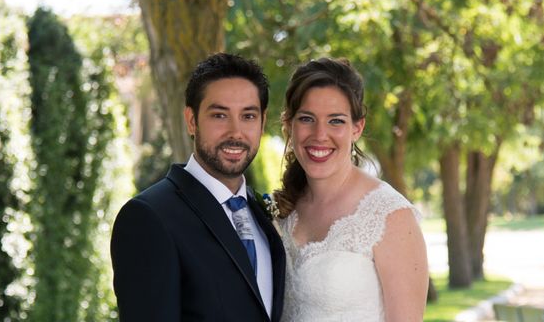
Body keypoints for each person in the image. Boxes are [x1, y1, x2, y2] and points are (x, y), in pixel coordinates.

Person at [111, 53, 286, 322]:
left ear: (262, 122)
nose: (236, 132)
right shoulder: (148, 217)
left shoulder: (261, 214)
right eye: (219, 115)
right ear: (192, 121)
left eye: (248, 116)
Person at [275, 57, 428, 322]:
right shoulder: (281, 211)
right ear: (289, 124)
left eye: (336, 121)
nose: (320, 134)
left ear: (357, 128)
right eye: (307, 118)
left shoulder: (390, 216)